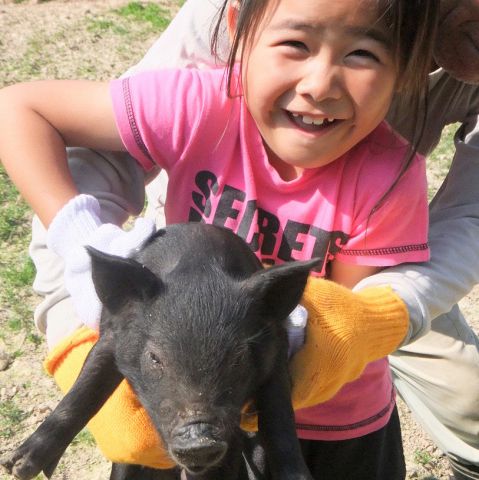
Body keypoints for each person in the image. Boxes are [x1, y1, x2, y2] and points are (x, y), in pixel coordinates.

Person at [0, 0, 439, 479]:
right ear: (238, 33)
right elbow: (20, 110)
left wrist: (319, 339)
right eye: (295, 43)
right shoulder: (198, 107)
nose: (319, 85)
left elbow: (342, 312)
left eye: (362, 55)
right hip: (177, 402)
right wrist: (80, 230)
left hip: (325, 411)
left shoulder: (390, 175)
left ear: (409, 67)